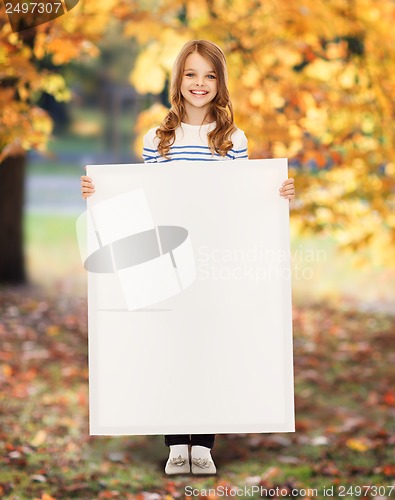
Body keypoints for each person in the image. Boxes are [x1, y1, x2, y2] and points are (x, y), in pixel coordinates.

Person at [81, 39, 295, 475]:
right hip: (168, 259)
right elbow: (147, 199)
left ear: (221, 83)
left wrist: (274, 194)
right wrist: (98, 193)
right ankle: (177, 443)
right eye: (192, 74)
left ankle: (205, 445)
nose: (200, 84)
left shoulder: (232, 138)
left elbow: (239, 199)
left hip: (215, 258)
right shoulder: (157, 138)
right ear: (178, 79)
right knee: (173, 341)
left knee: (209, 340)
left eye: (210, 75)